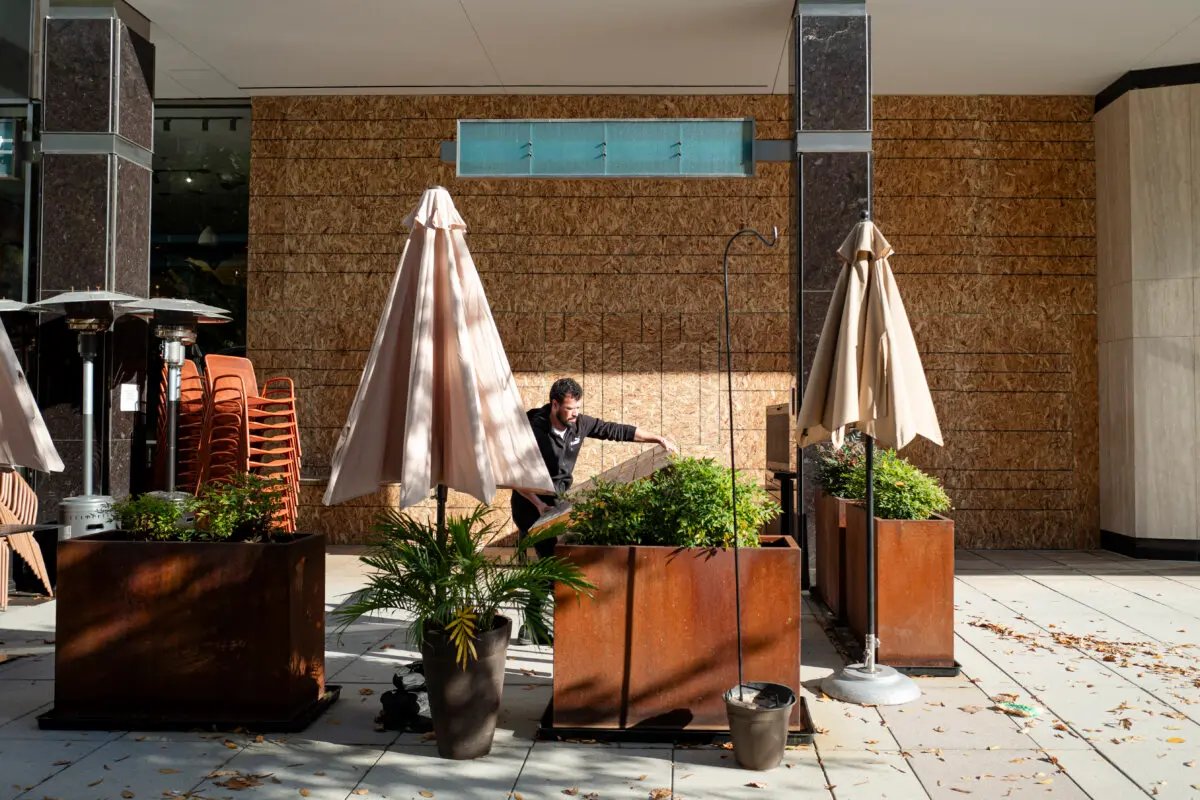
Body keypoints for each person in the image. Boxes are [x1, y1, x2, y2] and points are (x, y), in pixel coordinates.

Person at [511, 377, 677, 643]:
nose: (575, 413)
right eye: (570, 408)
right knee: (552, 561)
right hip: (530, 505)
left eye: (578, 407)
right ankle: (535, 628)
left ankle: (531, 627)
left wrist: (657, 438)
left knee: (552, 562)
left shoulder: (579, 425)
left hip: (556, 502)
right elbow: (513, 475)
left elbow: (615, 430)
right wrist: (538, 504)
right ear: (555, 405)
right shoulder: (532, 429)